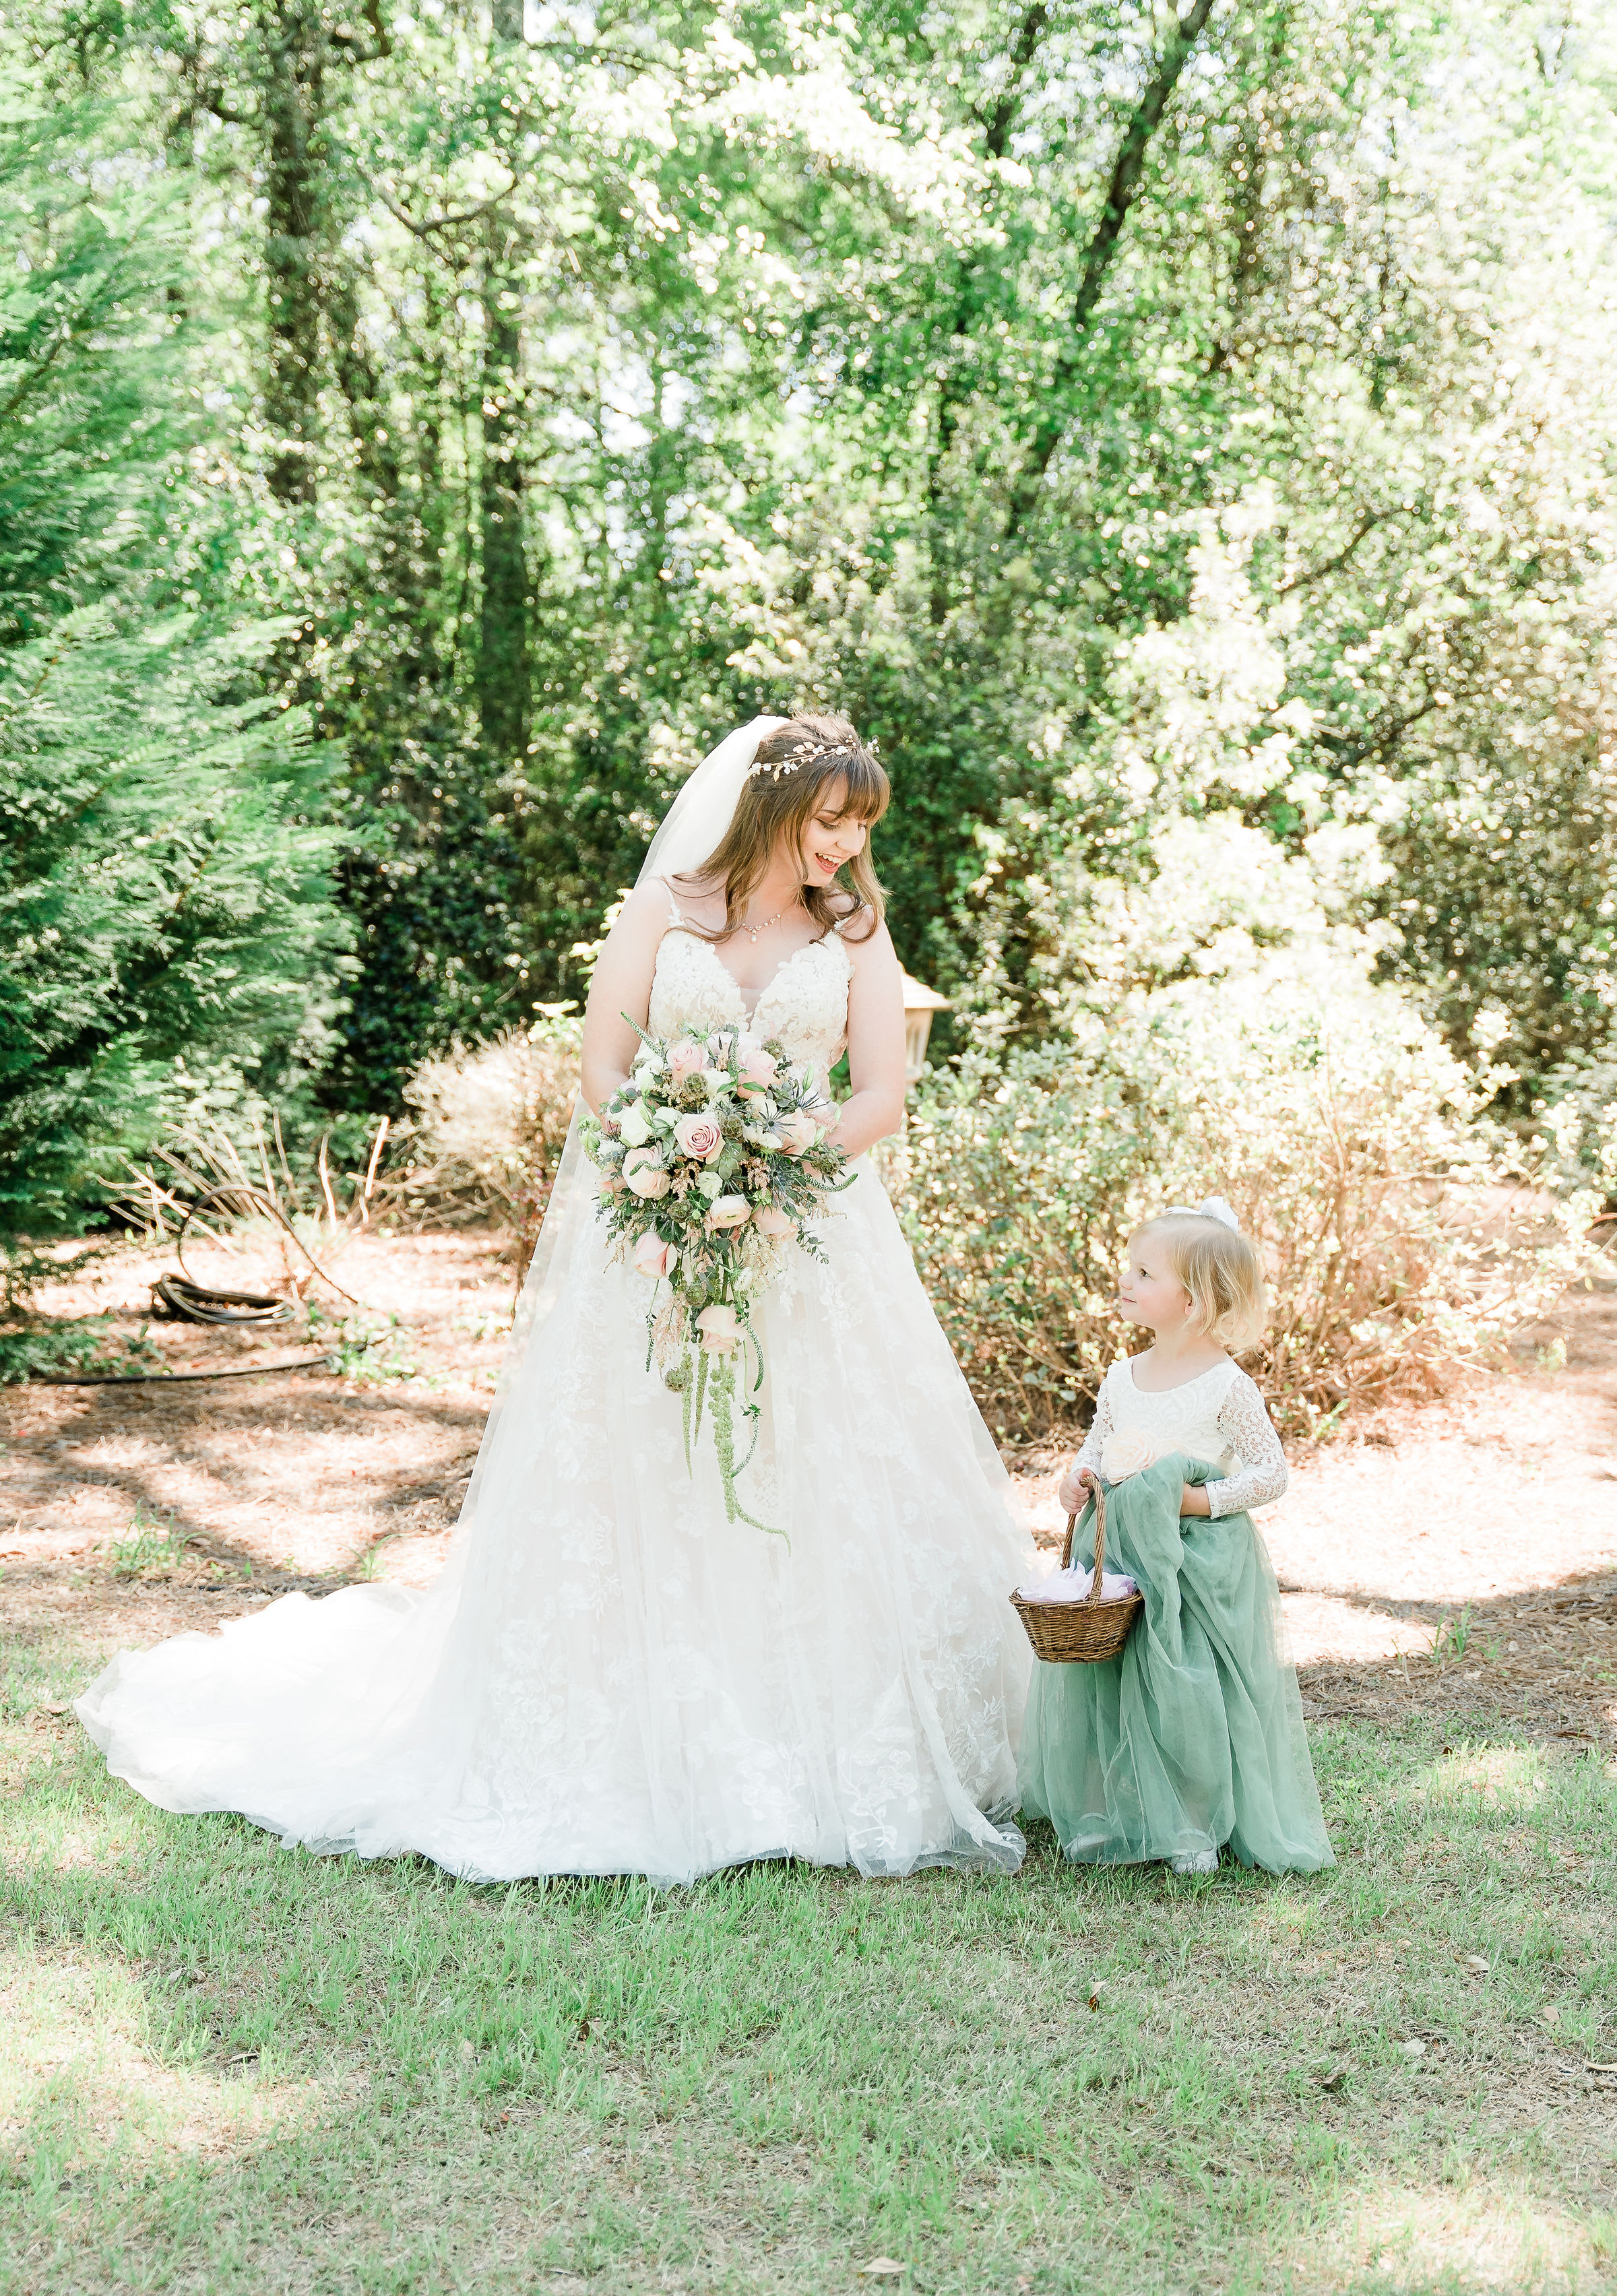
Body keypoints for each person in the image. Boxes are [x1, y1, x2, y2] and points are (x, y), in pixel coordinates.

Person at [78, 713, 1034, 1885]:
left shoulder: (855, 931)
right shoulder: (665, 907)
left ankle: (809, 1742)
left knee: (806, 1461)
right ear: (775, 804)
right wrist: (670, 1160)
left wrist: (770, 1167)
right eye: (832, 822)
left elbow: (880, 1094)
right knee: (646, 1463)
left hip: (809, 1237)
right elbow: (603, 1066)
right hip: (658, 1232)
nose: (847, 847)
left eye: (860, 828)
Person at [1017, 1201, 1335, 1876]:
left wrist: (1199, 1500)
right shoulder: (1122, 1376)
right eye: (1130, 1268)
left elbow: (1270, 1473)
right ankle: (1115, 1811)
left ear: (1192, 1302)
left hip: (1194, 1560)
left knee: (1185, 1691)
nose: (1125, 1280)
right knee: (1110, 1683)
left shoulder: (1227, 1386)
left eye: (1144, 1273)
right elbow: (1100, 1446)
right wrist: (1077, 1479)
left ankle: (1194, 1821)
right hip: (1119, 1552)